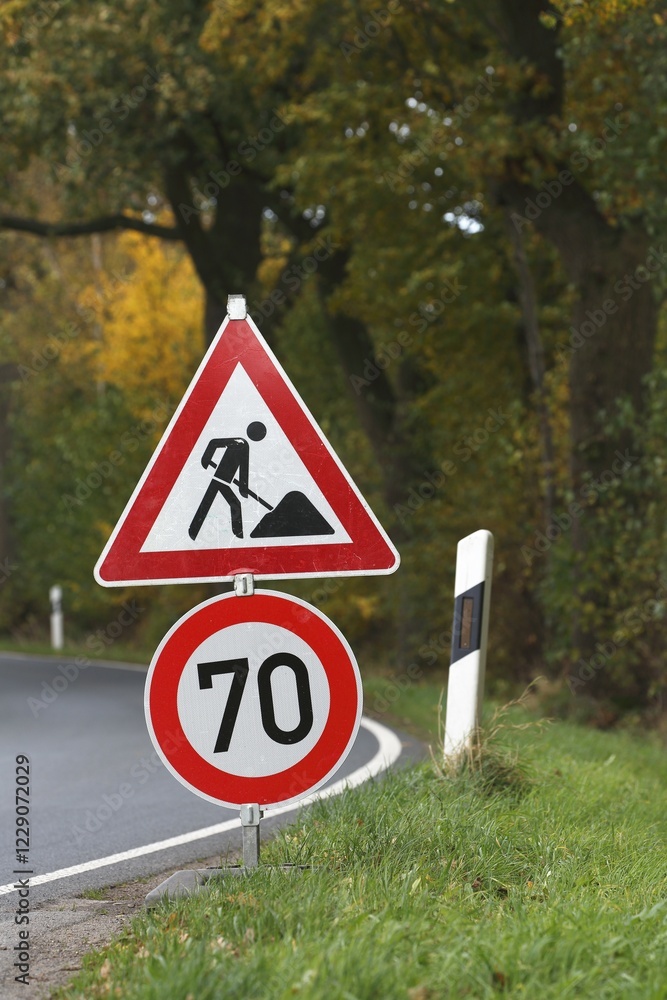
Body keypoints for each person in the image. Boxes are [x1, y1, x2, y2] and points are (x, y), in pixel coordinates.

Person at [188, 422, 267, 540]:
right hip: (218, 479)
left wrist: (243, 488)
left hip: (224, 482)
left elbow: (243, 469)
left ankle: (236, 535)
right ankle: (237, 535)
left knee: (214, 503)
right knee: (224, 504)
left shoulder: (244, 446)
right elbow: (214, 443)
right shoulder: (238, 442)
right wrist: (206, 459)